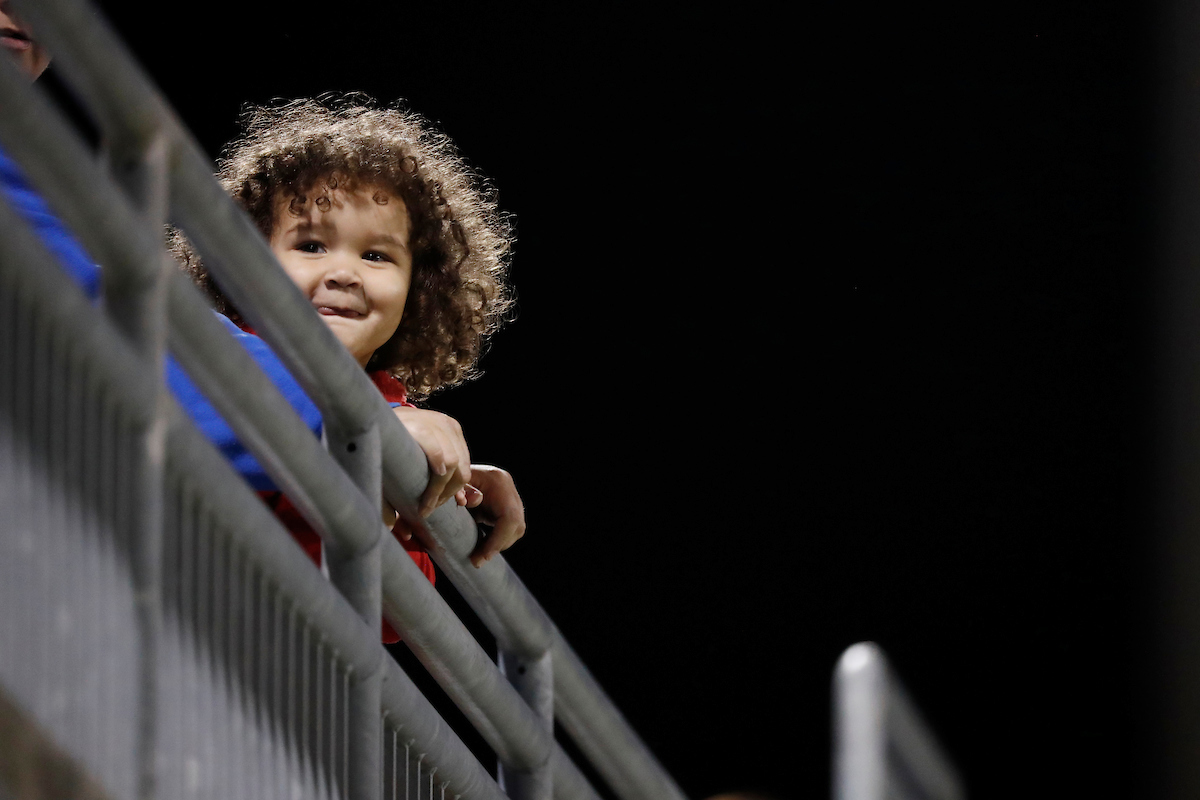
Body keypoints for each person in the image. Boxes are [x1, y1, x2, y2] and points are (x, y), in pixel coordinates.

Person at [169, 98, 526, 639]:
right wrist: (372, 432)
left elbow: (384, 619)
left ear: (420, 289)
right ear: (245, 262)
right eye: (311, 245)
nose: (343, 272)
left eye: (377, 256)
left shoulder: (409, 428)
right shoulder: (202, 355)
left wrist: (409, 493)